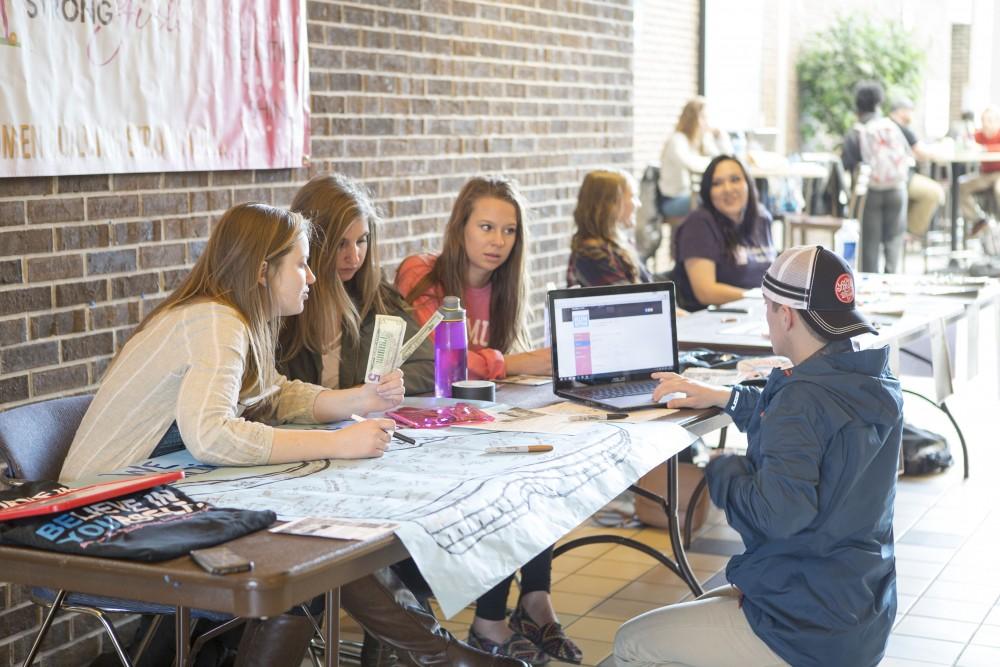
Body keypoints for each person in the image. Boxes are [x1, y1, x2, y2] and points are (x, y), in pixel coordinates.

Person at [61, 202, 525, 667]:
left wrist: (358, 400)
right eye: (302, 264)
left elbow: (274, 395)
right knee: (309, 557)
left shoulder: (237, 317)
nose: (313, 277)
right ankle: (441, 655)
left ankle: (438, 655)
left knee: (316, 553)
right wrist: (336, 442)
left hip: (159, 499)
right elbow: (212, 436)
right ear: (264, 271)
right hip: (101, 516)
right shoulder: (215, 322)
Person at [614, 245, 903, 667]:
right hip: (861, 610)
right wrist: (728, 397)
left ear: (785, 315)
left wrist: (723, 469)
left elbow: (778, 515)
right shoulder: (874, 381)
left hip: (805, 623)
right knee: (697, 613)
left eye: (768, 308)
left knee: (632, 642)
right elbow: (814, 426)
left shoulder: (801, 401)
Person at [396, 176, 580, 665]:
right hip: (419, 424)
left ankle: (536, 600)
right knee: (499, 478)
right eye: (485, 227)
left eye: (509, 231)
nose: (497, 241)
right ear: (460, 227)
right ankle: (490, 621)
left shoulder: (503, 288)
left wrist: (509, 365)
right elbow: (443, 360)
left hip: (470, 422)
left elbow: (488, 370)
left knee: (537, 462)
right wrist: (513, 362)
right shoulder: (420, 273)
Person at [280, 173, 435, 393]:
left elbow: (428, 365)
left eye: (361, 240)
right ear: (310, 242)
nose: (354, 258)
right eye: (341, 244)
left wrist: (368, 391)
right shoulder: (282, 301)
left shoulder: (375, 292)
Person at [670, 155, 776, 311]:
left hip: (757, 313)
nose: (728, 189)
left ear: (748, 183)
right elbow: (705, 291)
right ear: (708, 191)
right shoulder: (699, 224)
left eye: (735, 179)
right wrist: (756, 297)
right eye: (717, 183)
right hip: (709, 319)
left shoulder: (761, 218)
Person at [842, 80, 910, 273]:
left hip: (871, 193)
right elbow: (907, 155)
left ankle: (871, 289)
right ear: (879, 102)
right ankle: (892, 283)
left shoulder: (857, 131)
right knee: (894, 240)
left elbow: (848, 164)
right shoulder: (891, 126)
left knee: (869, 245)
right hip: (897, 189)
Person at [566, 168, 652, 287]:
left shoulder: (617, 243)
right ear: (611, 204)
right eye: (633, 196)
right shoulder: (591, 257)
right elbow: (633, 301)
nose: (638, 204)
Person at [657, 97, 732, 218]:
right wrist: (714, 163)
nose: (707, 122)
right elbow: (691, 164)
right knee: (713, 199)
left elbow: (726, 159)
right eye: (703, 117)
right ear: (692, 119)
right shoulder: (677, 140)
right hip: (673, 201)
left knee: (727, 195)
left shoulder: (701, 141)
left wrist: (720, 136)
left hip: (693, 196)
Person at [888, 96, 946, 237]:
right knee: (935, 192)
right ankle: (909, 233)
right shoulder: (900, 128)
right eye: (910, 111)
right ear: (902, 112)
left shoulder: (888, 125)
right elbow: (923, 152)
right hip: (900, 177)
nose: (911, 115)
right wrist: (942, 148)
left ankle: (903, 230)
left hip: (888, 177)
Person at [958, 105, 1000, 237]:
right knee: (961, 185)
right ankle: (978, 220)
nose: (986, 124)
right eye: (983, 121)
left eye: (989, 120)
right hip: (985, 175)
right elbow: (966, 143)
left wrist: (985, 148)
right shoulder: (978, 135)